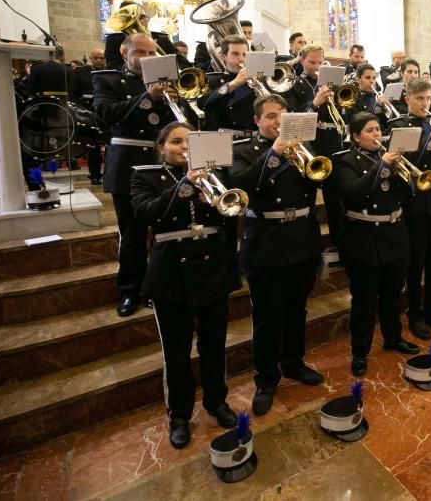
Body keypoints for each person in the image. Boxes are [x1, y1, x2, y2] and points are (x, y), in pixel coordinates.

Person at [130, 121, 240, 448]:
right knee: (176, 352)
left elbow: (228, 215)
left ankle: (216, 402)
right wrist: (182, 188)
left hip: (212, 266)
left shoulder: (215, 174)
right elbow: (145, 213)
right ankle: (179, 415)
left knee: (214, 344)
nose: (183, 147)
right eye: (176, 142)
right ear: (161, 147)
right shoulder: (145, 176)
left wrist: (214, 188)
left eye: (189, 141)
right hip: (170, 272)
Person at [230, 94, 325, 416]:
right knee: (268, 317)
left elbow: (320, 177)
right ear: (257, 120)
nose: (277, 122)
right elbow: (242, 186)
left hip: (302, 240)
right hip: (265, 244)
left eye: (282, 116)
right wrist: (274, 153)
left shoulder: (303, 150)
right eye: (270, 116)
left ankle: (294, 363)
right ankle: (266, 378)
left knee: (297, 309)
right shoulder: (243, 150)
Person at [93, 33, 194, 317]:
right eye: (141, 52)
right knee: (132, 233)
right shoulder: (108, 79)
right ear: (126, 52)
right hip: (127, 163)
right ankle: (129, 291)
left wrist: (178, 101)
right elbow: (104, 114)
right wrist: (147, 97)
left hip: (162, 164)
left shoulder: (168, 83)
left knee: (163, 231)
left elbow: (186, 124)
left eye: (152, 54)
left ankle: (154, 288)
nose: (147, 59)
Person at [333, 112, 420, 377]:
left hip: (395, 235)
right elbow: (352, 192)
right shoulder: (344, 161)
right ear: (356, 136)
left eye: (378, 129)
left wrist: (403, 173)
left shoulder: (393, 160)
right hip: (363, 238)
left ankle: (393, 338)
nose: (376, 135)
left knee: (393, 296)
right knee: (364, 302)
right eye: (369, 131)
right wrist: (380, 168)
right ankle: (360, 352)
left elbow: (410, 195)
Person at [388, 78, 431, 339]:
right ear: (407, 100)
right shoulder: (400, 126)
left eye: (427, 99)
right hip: (415, 199)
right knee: (416, 262)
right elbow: (410, 162)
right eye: (419, 99)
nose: (425, 103)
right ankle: (414, 314)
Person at [288, 45, 347, 252]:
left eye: (320, 62)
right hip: (310, 143)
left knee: (334, 197)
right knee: (309, 194)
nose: (317, 66)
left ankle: (339, 242)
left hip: (332, 140)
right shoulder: (296, 84)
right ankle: (308, 243)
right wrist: (314, 103)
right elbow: (292, 115)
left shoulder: (331, 84)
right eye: (312, 62)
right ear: (301, 61)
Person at [201, 34, 258, 135]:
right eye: (235, 54)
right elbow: (203, 103)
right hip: (225, 139)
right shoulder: (212, 80)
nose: (241, 59)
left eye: (244, 54)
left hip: (254, 138)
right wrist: (234, 84)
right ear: (223, 56)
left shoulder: (256, 80)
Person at [69, 48, 107, 184]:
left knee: (110, 144)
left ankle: (108, 173)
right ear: (91, 58)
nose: (99, 60)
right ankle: (95, 175)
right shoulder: (80, 72)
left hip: (107, 112)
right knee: (93, 146)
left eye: (102, 58)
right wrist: (79, 109)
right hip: (87, 113)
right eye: (96, 58)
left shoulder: (111, 72)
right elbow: (72, 93)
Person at [103, 1, 176, 69]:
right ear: (123, 22)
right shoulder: (115, 40)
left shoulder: (162, 39)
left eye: (142, 17)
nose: (138, 22)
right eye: (134, 18)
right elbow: (113, 67)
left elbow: (182, 63)